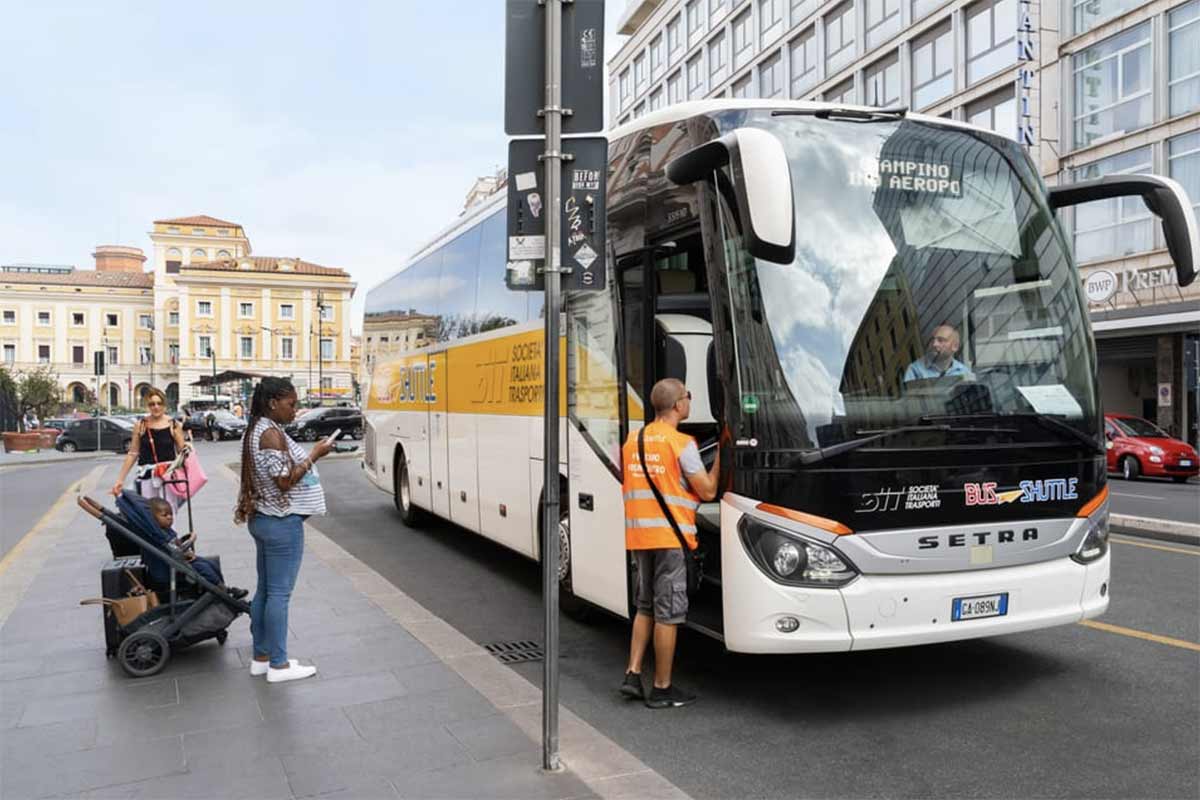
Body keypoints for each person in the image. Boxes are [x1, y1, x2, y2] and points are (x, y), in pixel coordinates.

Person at [620, 378, 720, 709]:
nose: (689, 401)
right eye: (688, 396)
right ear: (678, 405)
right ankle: (662, 687)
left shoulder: (633, 440)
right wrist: (722, 456)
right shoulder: (681, 444)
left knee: (645, 604)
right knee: (669, 612)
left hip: (639, 536)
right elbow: (707, 491)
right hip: (670, 538)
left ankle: (632, 674)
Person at [235, 377, 333, 684]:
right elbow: (284, 481)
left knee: (265, 590)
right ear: (273, 402)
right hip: (280, 522)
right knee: (279, 594)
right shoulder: (270, 435)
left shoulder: (255, 429)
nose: (296, 409)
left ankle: (261, 658)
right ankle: (278, 665)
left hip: (262, 519)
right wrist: (314, 455)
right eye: (291, 404)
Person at [145, 498, 247, 598]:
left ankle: (223, 587)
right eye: (164, 515)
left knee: (210, 563)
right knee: (203, 568)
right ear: (153, 519)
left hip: (178, 562)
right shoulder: (157, 535)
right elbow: (170, 551)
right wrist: (185, 553)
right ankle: (223, 592)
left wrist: (185, 543)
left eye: (171, 514)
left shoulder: (167, 531)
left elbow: (175, 545)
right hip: (170, 568)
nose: (169, 517)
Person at [111, 387, 189, 509]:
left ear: (164, 405)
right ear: (148, 406)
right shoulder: (140, 425)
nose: (156, 407)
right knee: (149, 513)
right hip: (147, 477)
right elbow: (133, 453)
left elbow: (182, 453)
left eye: (159, 403)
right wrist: (120, 480)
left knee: (168, 514)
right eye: (152, 404)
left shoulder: (173, 425)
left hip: (168, 477)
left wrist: (188, 472)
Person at [903, 323, 973, 382]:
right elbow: (909, 398)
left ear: (955, 346)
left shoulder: (964, 371)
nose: (934, 344)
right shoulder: (915, 370)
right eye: (932, 340)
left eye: (940, 340)